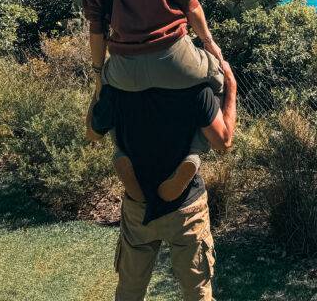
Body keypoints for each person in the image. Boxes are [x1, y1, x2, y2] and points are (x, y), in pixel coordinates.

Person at [79, 0, 226, 202]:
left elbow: (96, 28)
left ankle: (122, 155)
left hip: (124, 66)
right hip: (174, 58)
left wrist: (98, 74)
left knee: (115, 100)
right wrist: (211, 47)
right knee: (217, 81)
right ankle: (193, 154)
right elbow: (191, 5)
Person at [87, 56, 237, 301]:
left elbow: (92, 133)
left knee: (130, 290)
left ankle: (129, 170)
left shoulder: (115, 87)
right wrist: (231, 87)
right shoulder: (196, 87)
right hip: (186, 205)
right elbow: (223, 141)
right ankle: (190, 159)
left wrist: (100, 85)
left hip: (138, 206)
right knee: (197, 291)